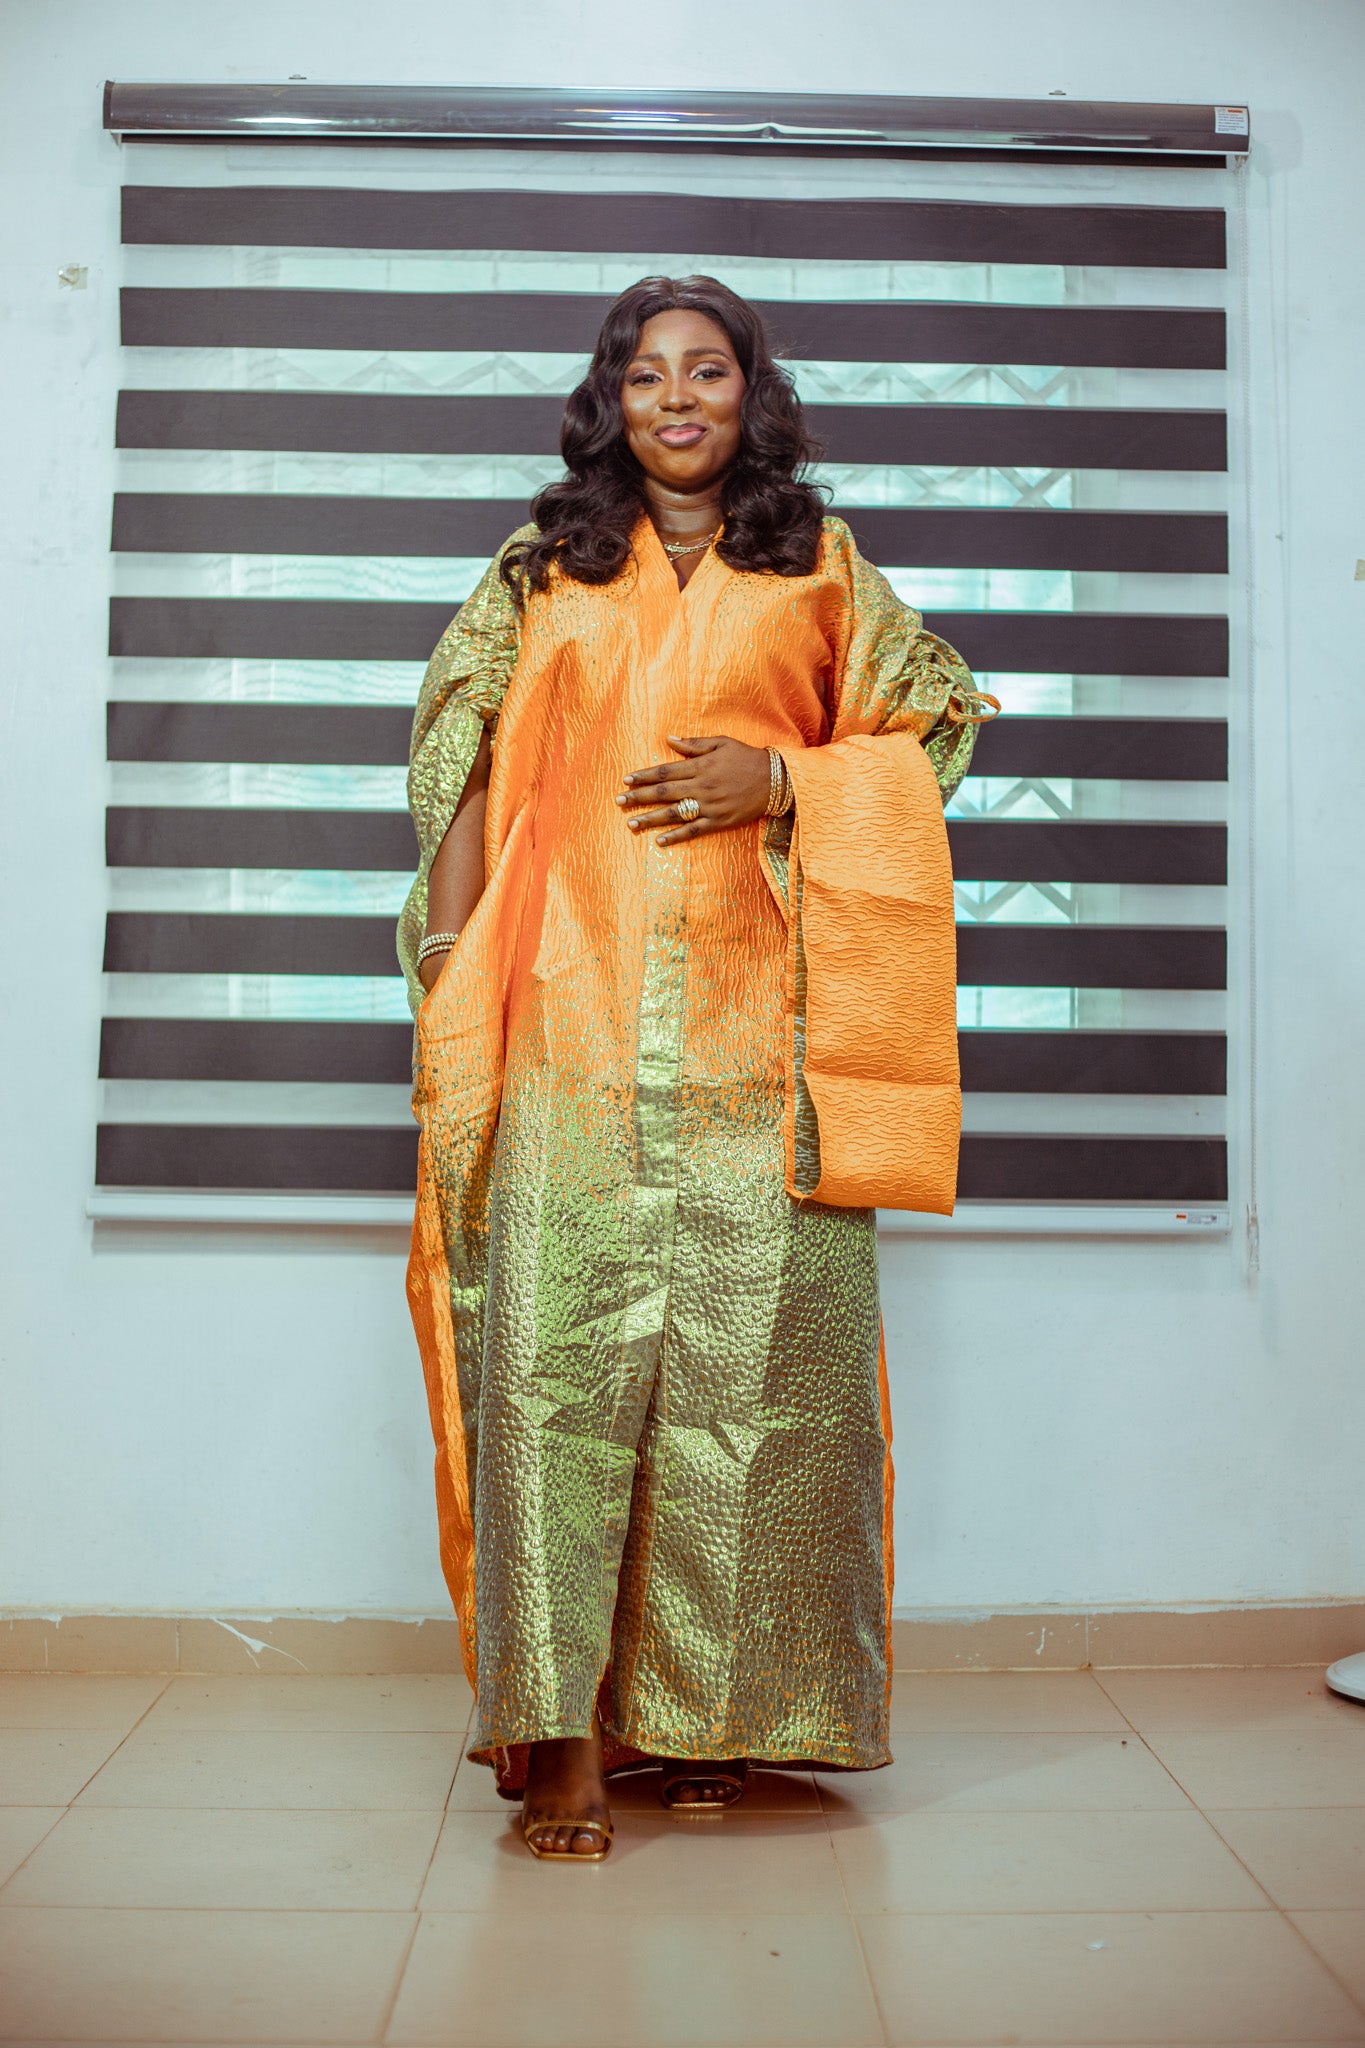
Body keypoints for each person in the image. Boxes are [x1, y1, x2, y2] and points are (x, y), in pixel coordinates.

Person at [397, 274, 995, 1860]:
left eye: (708, 371)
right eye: (647, 372)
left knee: (755, 1389)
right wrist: (456, 972)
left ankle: (707, 1718)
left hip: (759, 1037)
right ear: (611, 396)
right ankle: (565, 1739)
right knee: (554, 1380)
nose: (677, 398)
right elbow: (458, 751)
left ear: (750, 395)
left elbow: (930, 724)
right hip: (568, 1026)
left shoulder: (816, 566)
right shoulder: (541, 571)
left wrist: (783, 779)